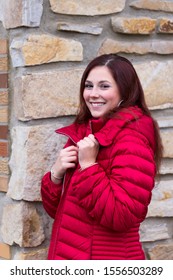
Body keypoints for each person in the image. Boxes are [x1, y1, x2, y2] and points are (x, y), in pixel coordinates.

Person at [41, 54, 163, 260]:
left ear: (125, 90)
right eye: (88, 86)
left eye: (104, 86)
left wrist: (88, 166)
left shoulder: (132, 139)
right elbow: (61, 213)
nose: (93, 94)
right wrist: (56, 175)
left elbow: (122, 216)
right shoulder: (85, 133)